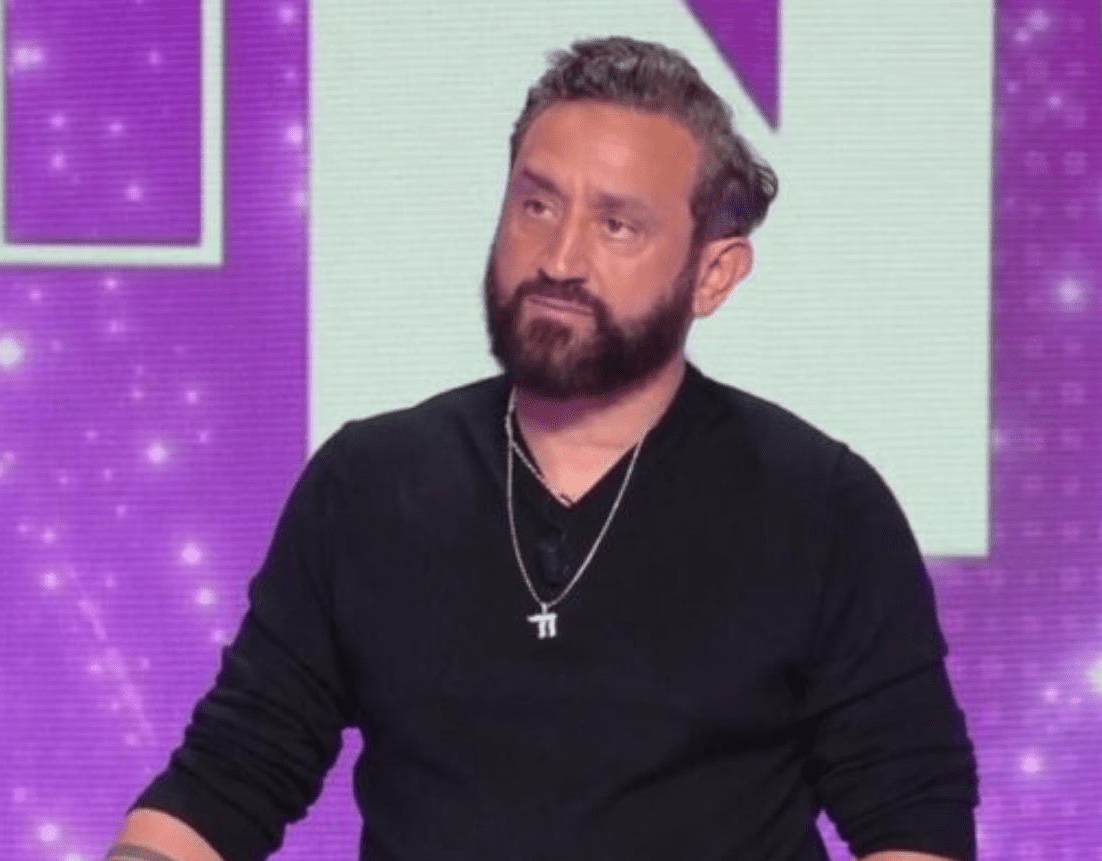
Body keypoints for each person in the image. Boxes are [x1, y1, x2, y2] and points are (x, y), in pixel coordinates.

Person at [107, 36, 978, 861]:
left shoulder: (820, 506)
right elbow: (231, 773)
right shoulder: (368, 483)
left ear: (714, 274)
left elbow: (912, 813)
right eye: (537, 205)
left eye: (617, 225)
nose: (560, 258)